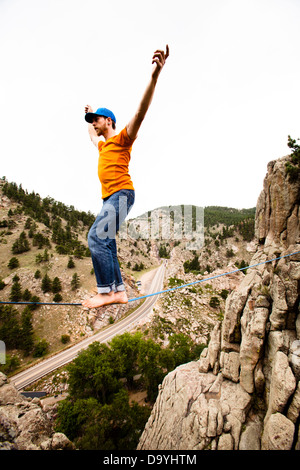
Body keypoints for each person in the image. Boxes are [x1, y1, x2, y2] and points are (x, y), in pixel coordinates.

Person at [82, 45, 169, 309]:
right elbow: (90, 135)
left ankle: (108, 292)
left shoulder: (122, 139)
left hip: (121, 193)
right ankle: (118, 290)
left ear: (108, 121)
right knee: (106, 241)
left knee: (96, 237)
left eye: (96, 120)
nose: (94, 124)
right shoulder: (102, 145)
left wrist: (154, 77)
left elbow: (141, 112)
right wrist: (88, 115)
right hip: (111, 197)